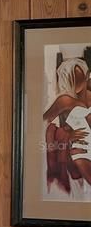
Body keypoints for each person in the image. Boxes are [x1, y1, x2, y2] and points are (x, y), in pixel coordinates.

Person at [43, 57, 91, 193]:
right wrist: (67, 133)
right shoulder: (64, 100)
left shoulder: (89, 95)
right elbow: (41, 121)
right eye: (73, 77)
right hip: (75, 153)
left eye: (81, 77)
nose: (77, 82)